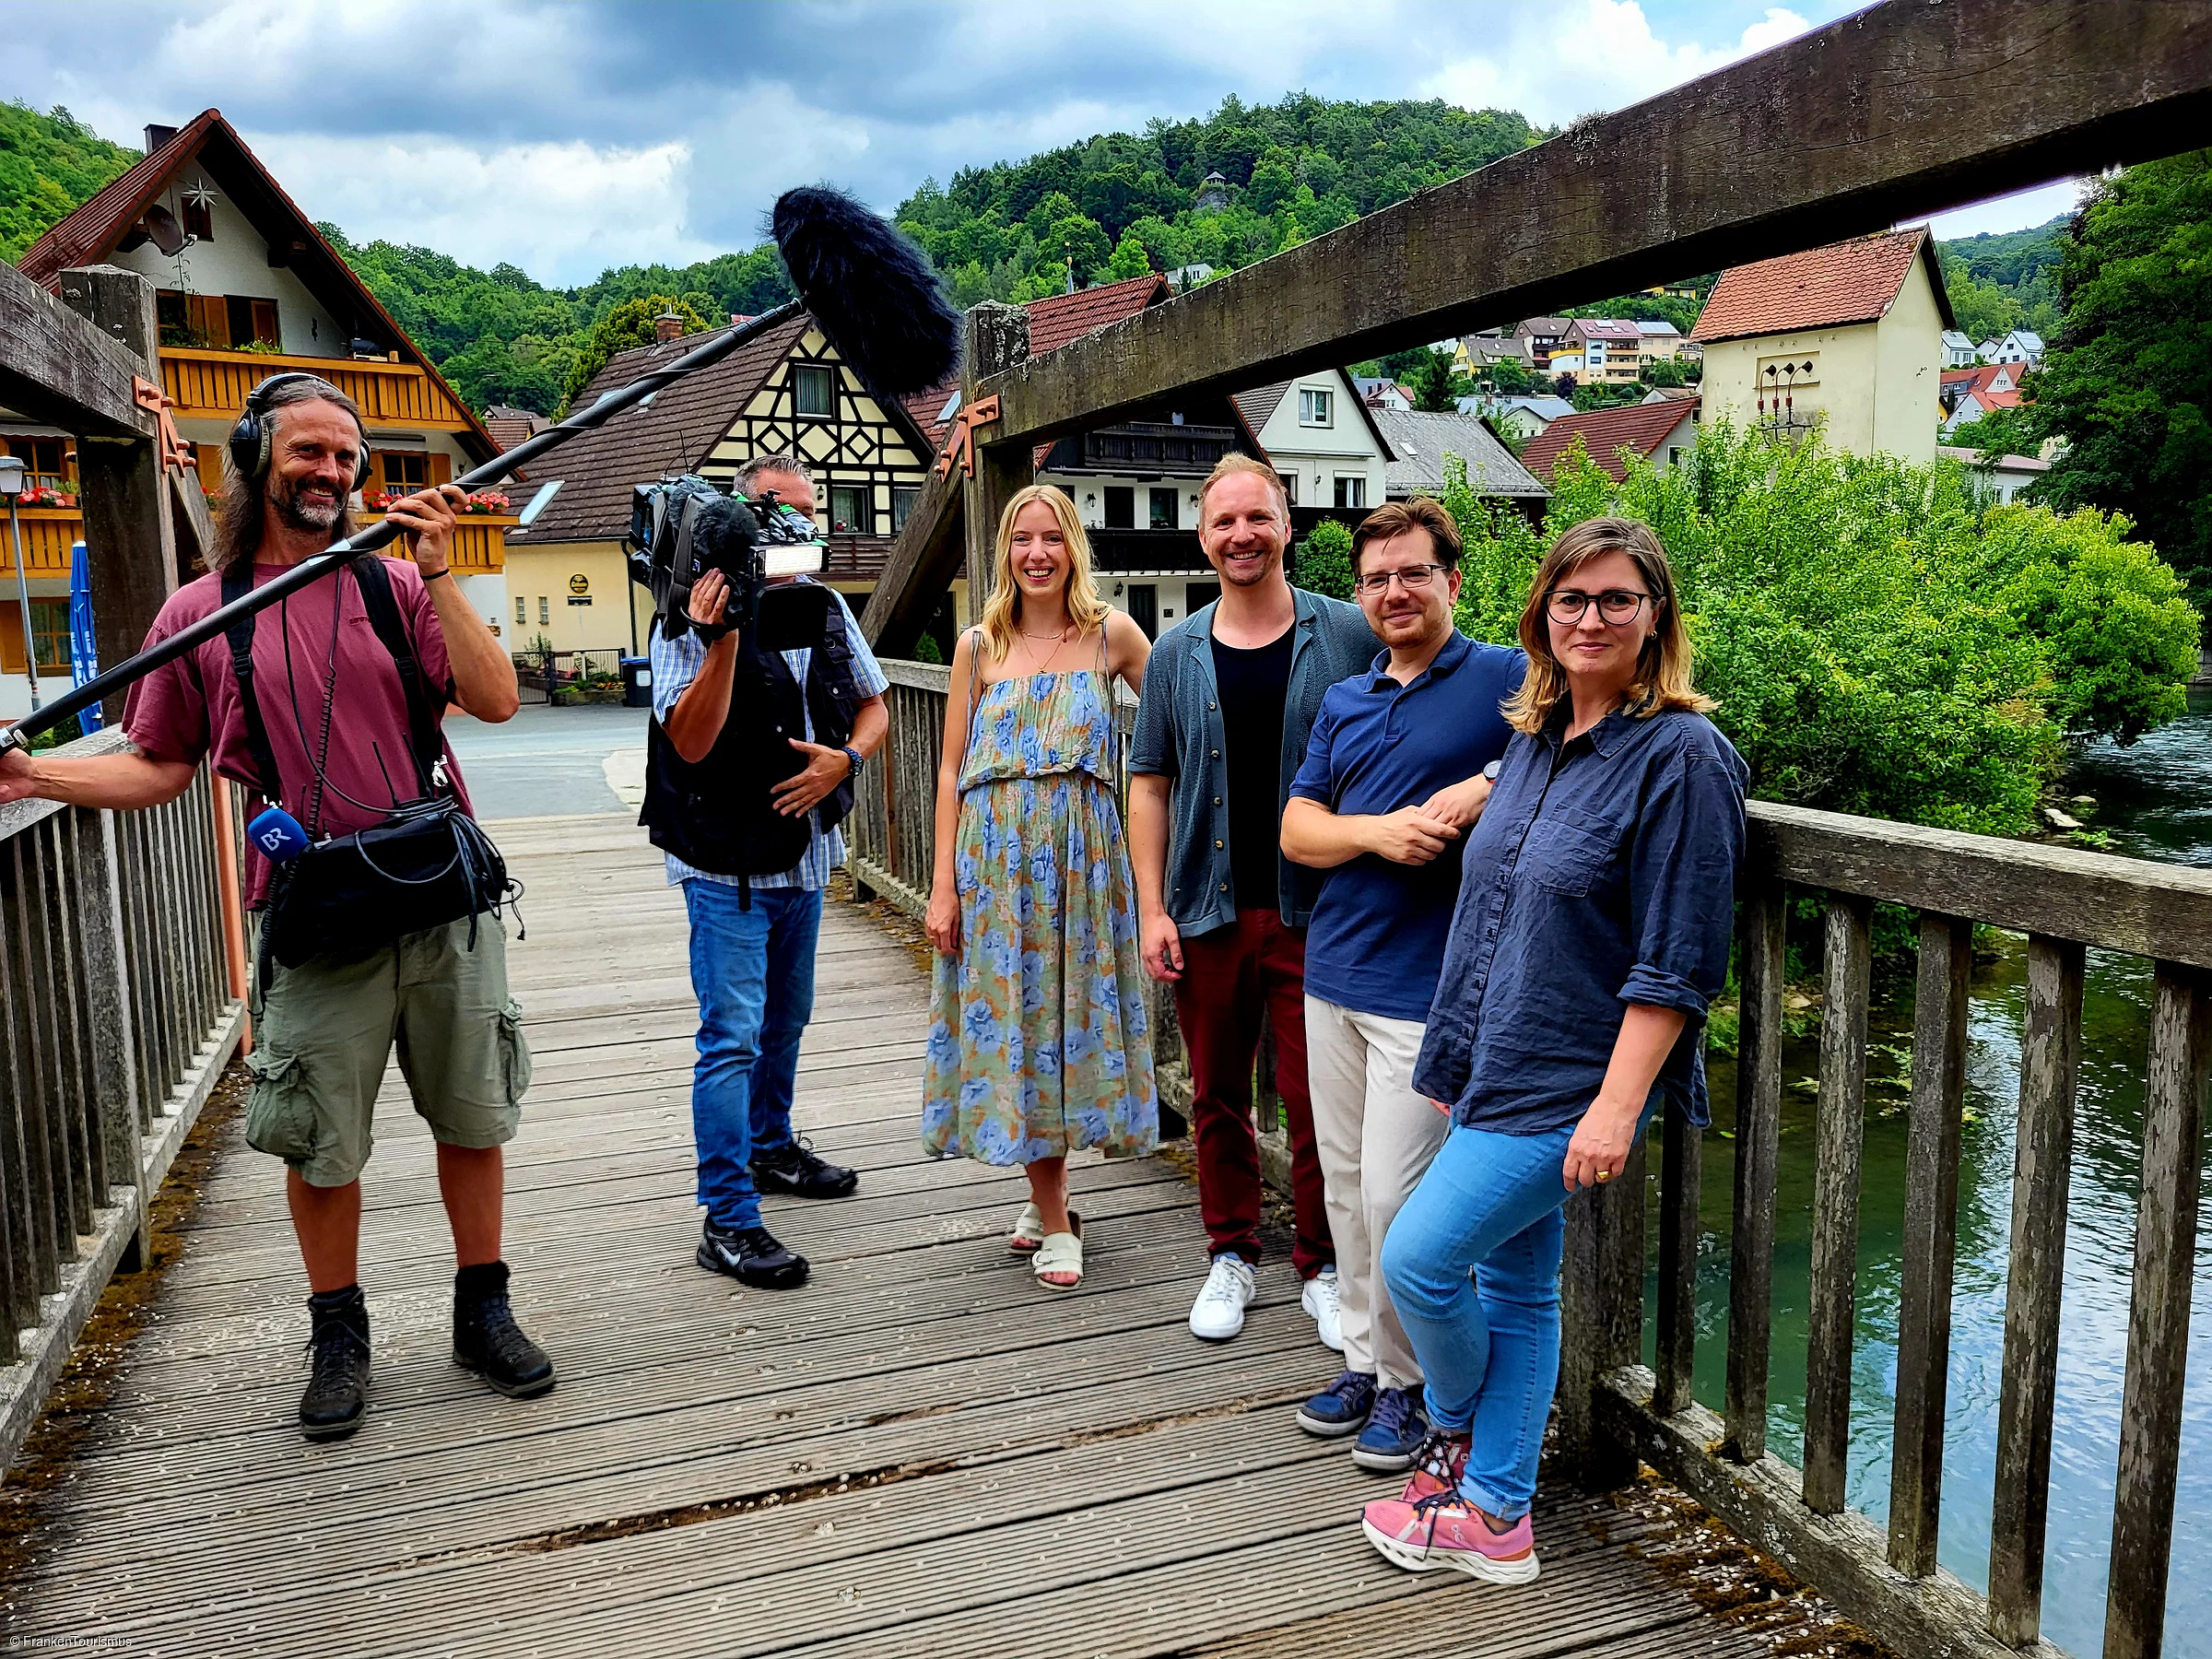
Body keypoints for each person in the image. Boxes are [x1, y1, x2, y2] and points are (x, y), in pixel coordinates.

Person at [0, 373, 547, 1441]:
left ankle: (484, 1310)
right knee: (317, 1142)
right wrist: (36, 778)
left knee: (474, 1118)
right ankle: (338, 1334)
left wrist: (438, 578)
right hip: (312, 914)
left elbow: (494, 700)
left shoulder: (393, 587)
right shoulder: (198, 615)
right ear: (254, 457)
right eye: (308, 452)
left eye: (346, 458)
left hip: (441, 901)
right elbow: (160, 765)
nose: (331, 475)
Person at [1359, 517, 1747, 1584]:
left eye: (1618, 598)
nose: (1592, 618)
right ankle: (1498, 1517)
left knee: (1420, 1261)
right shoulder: (1530, 744)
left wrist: (1619, 1107)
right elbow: (1495, 917)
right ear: (1540, 615)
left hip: (1574, 1082)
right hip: (1492, 1065)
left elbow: (1677, 959)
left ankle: (1458, 1441)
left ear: (1656, 616)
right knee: (1516, 1289)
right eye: (1572, 599)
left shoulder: (1684, 757)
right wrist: (1456, 1064)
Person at [1278, 499, 1524, 1473]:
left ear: (1451, 581)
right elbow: (1298, 829)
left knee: (1396, 1198)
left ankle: (1410, 1385)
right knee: (1343, 1186)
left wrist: (1484, 784)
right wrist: (1378, 831)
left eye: (1413, 573)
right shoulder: (1347, 699)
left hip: (1427, 991)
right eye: (1376, 578)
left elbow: (1586, 729)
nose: (1394, 592)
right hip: (1332, 972)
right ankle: (1363, 1361)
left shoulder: (1505, 674)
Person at [1128, 452, 1377, 1344]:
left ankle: (1321, 1262)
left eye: (1257, 518)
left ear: (1287, 525)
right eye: (1225, 522)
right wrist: (1152, 907)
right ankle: (1231, 1253)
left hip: (1323, 909)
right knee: (1217, 1093)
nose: (1242, 535)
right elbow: (1149, 781)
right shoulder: (1174, 653)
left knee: (1317, 1100)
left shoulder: (1348, 631)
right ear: (1204, 537)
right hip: (1208, 909)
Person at [644, 453, 888, 1290]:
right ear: (739, 522)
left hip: (806, 855)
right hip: (724, 866)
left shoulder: (821, 605)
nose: (804, 531)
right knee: (731, 1039)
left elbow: (875, 701)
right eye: (786, 513)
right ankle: (729, 1218)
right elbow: (689, 740)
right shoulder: (684, 619)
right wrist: (725, 637)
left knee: (786, 1022)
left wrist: (844, 761)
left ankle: (773, 1146)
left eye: (811, 515)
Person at [922, 486, 1157, 1290]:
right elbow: (950, 768)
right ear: (1004, 552)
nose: (1036, 555)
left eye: (1050, 539)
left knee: (1063, 1024)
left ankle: (1046, 1199)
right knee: (1019, 1026)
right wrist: (942, 884)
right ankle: (1055, 1211)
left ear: (1073, 547)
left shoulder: (1112, 636)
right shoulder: (977, 646)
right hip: (993, 872)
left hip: (1082, 871)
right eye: (1022, 540)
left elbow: (1174, 724)